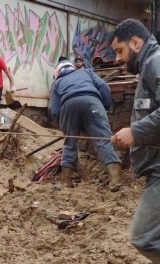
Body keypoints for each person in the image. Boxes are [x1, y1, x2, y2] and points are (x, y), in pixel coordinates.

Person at [110, 18, 160, 262]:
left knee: (144, 238)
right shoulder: (149, 66)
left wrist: (136, 132)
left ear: (136, 42)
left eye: (120, 51)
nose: (118, 59)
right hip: (155, 168)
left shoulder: (156, 63)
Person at [49, 57, 122, 190]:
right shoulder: (86, 72)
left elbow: (54, 109)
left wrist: (64, 123)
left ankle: (66, 180)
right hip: (92, 101)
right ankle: (116, 179)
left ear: (57, 72)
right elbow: (104, 87)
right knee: (104, 139)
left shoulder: (57, 82)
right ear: (72, 67)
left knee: (69, 142)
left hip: (68, 105)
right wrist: (104, 106)